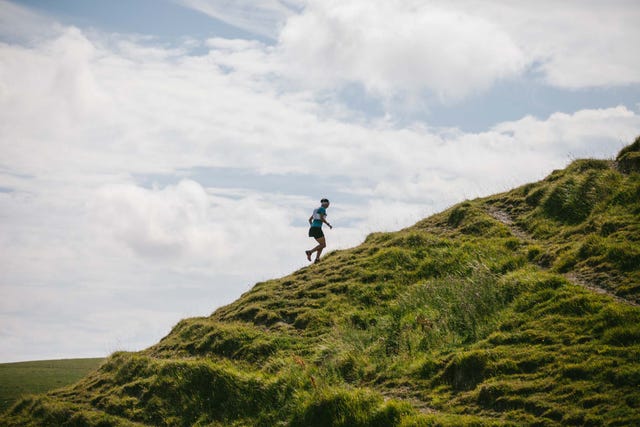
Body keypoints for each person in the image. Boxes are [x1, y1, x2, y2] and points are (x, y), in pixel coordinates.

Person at [306, 198, 332, 263]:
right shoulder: (322, 209)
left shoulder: (316, 210)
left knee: (321, 244)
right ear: (325, 203)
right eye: (328, 204)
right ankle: (310, 252)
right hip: (317, 228)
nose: (328, 205)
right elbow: (321, 218)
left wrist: (312, 227)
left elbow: (310, 220)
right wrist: (328, 224)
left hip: (313, 228)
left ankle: (317, 259)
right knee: (323, 245)